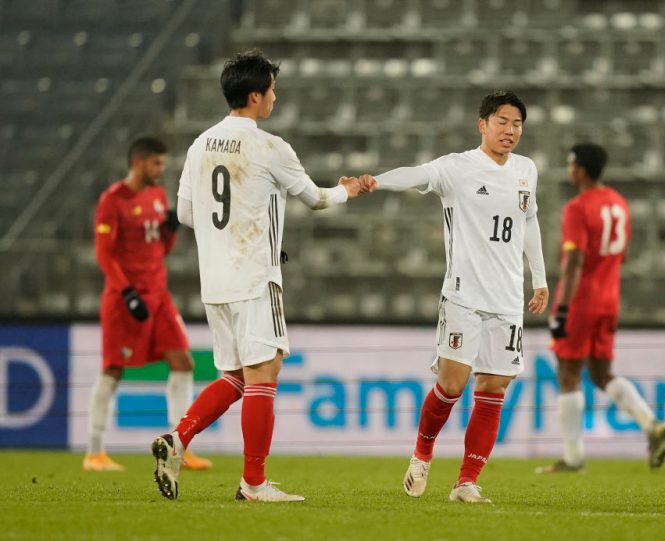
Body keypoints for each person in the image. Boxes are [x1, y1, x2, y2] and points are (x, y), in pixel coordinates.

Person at [150, 50, 370, 502]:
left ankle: (178, 438)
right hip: (254, 276)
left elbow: (186, 213)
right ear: (254, 95)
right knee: (264, 374)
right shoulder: (270, 147)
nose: (274, 96)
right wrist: (347, 190)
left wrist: (233, 227)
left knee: (235, 375)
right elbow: (316, 199)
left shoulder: (200, 143)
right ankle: (253, 483)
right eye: (271, 88)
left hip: (214, 279)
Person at [357, 90, 549, 504]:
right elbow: (417, 174)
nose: (510, 131)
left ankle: (466, 482)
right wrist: (377, 181)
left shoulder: (526, 170)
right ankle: (423, 452)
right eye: (502, 121)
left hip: (506, 299)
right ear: (482, 124)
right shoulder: (458, 168)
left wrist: (540, 278)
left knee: (495, 386)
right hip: (463, 295)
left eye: (517, 124)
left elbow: (530, 220)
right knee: (452, 384)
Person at [537, 143, 665, 474]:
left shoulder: (578, 207)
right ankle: (650, 423)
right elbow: (621, 255)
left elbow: (574, 262)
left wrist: (563, 310)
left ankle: (573, 457)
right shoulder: (619, 204)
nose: (569, 169)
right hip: (610, 298)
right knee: (601, 373)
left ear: (580, 169)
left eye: (571, 164)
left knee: (568, 372)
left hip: (581, 300)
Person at [86, 136, 211, 472]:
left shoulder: (157, 195)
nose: (161, 169)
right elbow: (104, 253)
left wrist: (170, 231)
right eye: (156, 163)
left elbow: (161, 250)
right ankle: (94, 451)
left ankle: (179, 445)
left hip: (158, 295)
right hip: (124, 297)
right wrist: (126, 293)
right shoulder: (113, 200)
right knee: (114, 368)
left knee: (183, 361)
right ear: (139, 162)